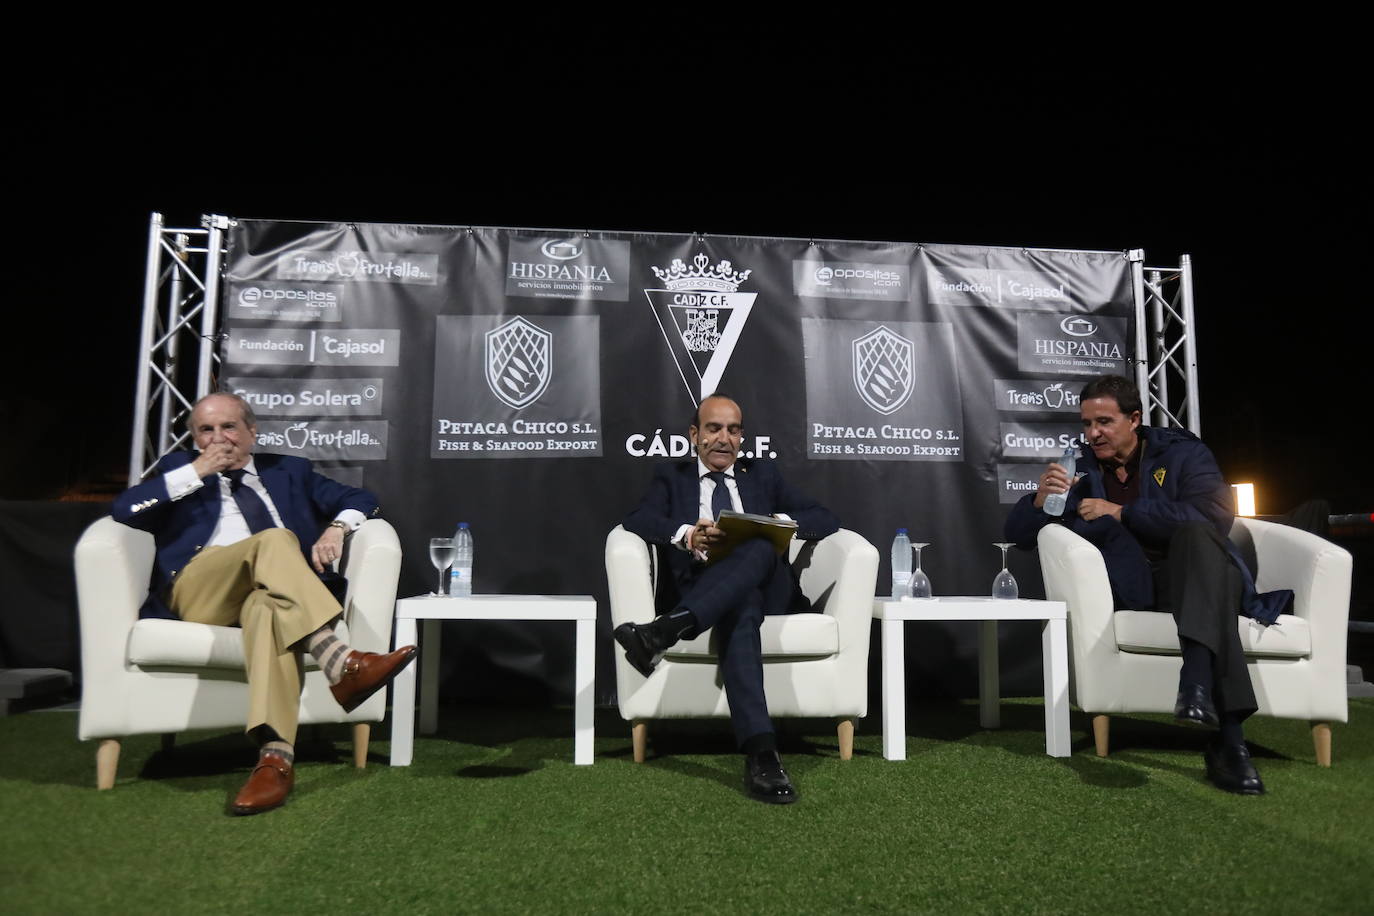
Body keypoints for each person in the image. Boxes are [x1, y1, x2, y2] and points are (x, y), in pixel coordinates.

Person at [112, 392, 417, 815]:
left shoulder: (289, 470)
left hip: (276, 592)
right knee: (276, 539)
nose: (220, 438)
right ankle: (341, 661)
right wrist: (197, 471)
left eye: (229, 427)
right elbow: (125, 510)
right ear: (195, 438)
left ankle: (275, 759)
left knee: (266, 607)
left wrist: (336, 529)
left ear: (252, 432)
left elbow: (361, 499)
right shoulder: (178, 471)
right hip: (201, 590)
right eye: (206, 430)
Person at [1005, 375, 1289, 795]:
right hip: (1133, 586)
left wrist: (1121, 513)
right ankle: (1223, 732)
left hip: (1193, 574)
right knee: (1216, 592)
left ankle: (1207, 703)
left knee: (1199, 545)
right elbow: (1019, 535)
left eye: (1103, 422)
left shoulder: (1183, 453)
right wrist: (1036, 500)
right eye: (1086, 424)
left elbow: (1212, 517)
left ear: (1134, 418)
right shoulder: (1078, 466)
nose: (1092, 433)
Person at [615, 394, 839, 804]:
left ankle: (668, 629)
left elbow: (826, 517)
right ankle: (762, 755)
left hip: (772, 586)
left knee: (756, 545)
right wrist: (688, 535)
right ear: (694, 435)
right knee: (741, 606)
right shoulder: (671, 477)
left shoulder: (762, 476)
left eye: (733, 430)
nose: (724, 439)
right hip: (709, 588)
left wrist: (778, 524)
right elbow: (639, 520)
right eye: (714, 429)